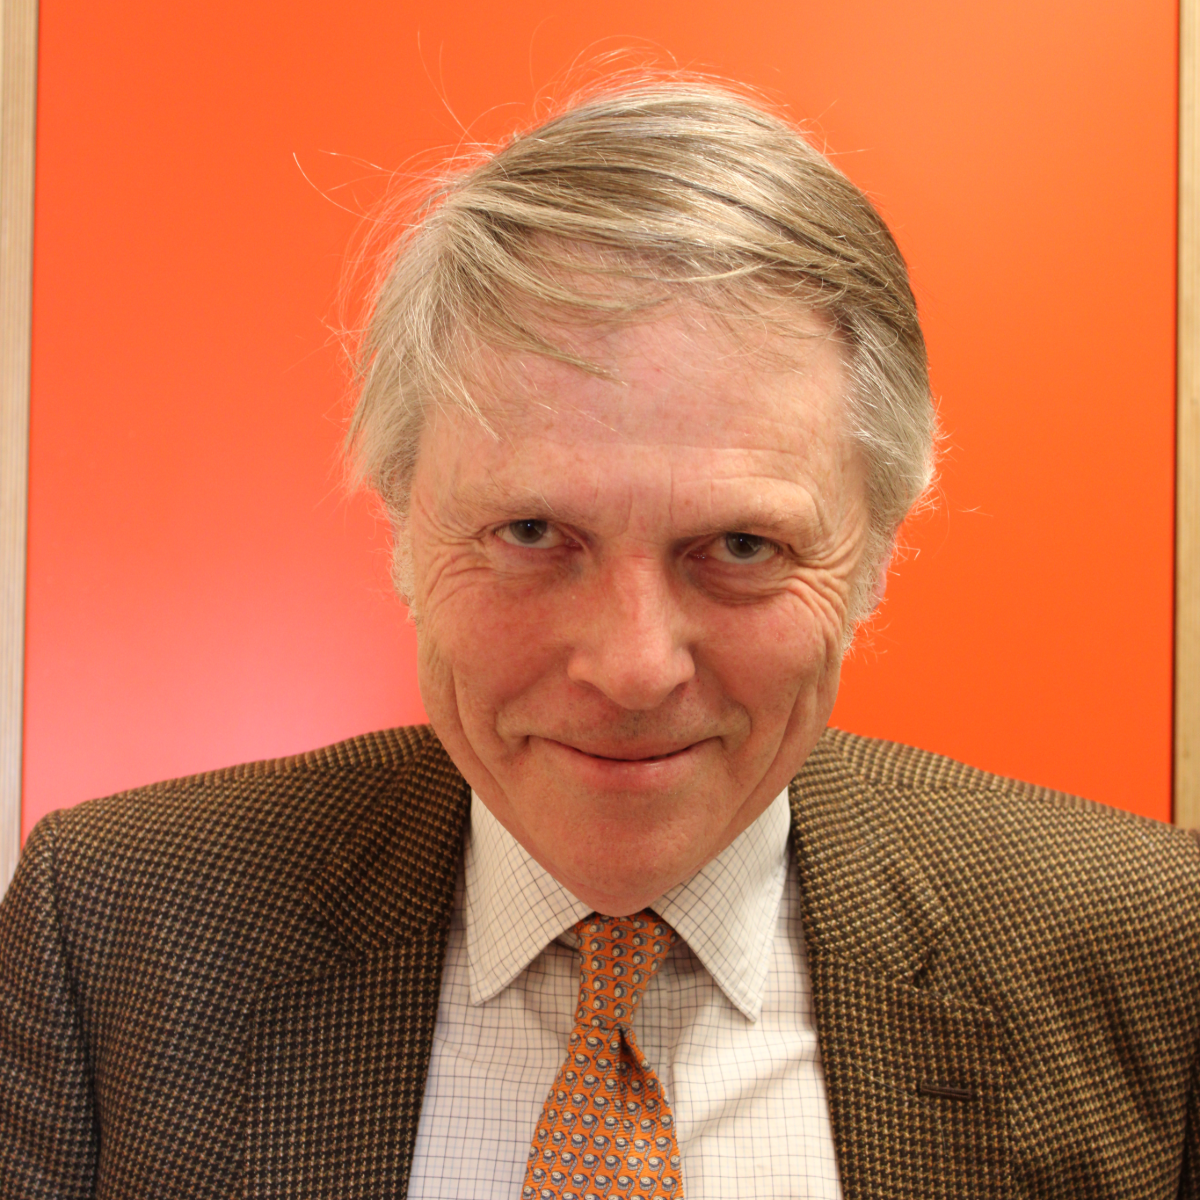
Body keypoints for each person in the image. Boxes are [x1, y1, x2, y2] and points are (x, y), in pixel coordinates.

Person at [2, 75, 1199, 1200]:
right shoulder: (115, 931)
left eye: (740, 546)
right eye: (533, 530)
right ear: (404, 530)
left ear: (876, 556)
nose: (632, 667)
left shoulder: (1151, 945)